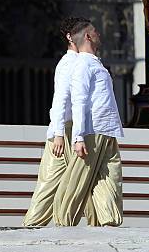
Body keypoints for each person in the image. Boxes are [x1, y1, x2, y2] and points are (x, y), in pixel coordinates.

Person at [23, 17, 96, 226]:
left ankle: (95, 225)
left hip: (74, 130)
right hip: (64, 131)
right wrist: (58, 134)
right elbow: (61, 99)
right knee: (50, 182)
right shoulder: (69, 63)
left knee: (85, 181)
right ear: (70, 38)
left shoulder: (83, 61)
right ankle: (32, 225)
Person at [52, 19, 124, 227]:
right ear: (87, 36)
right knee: (79, 179)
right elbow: (79, 101)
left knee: (111, 175)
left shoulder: (95, 63)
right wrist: (78, 137)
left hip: (108, 129)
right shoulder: (82, 64)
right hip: (93, 130)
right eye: (95, 31)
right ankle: (63, 219)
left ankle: (108, 219)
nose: (99, 33)